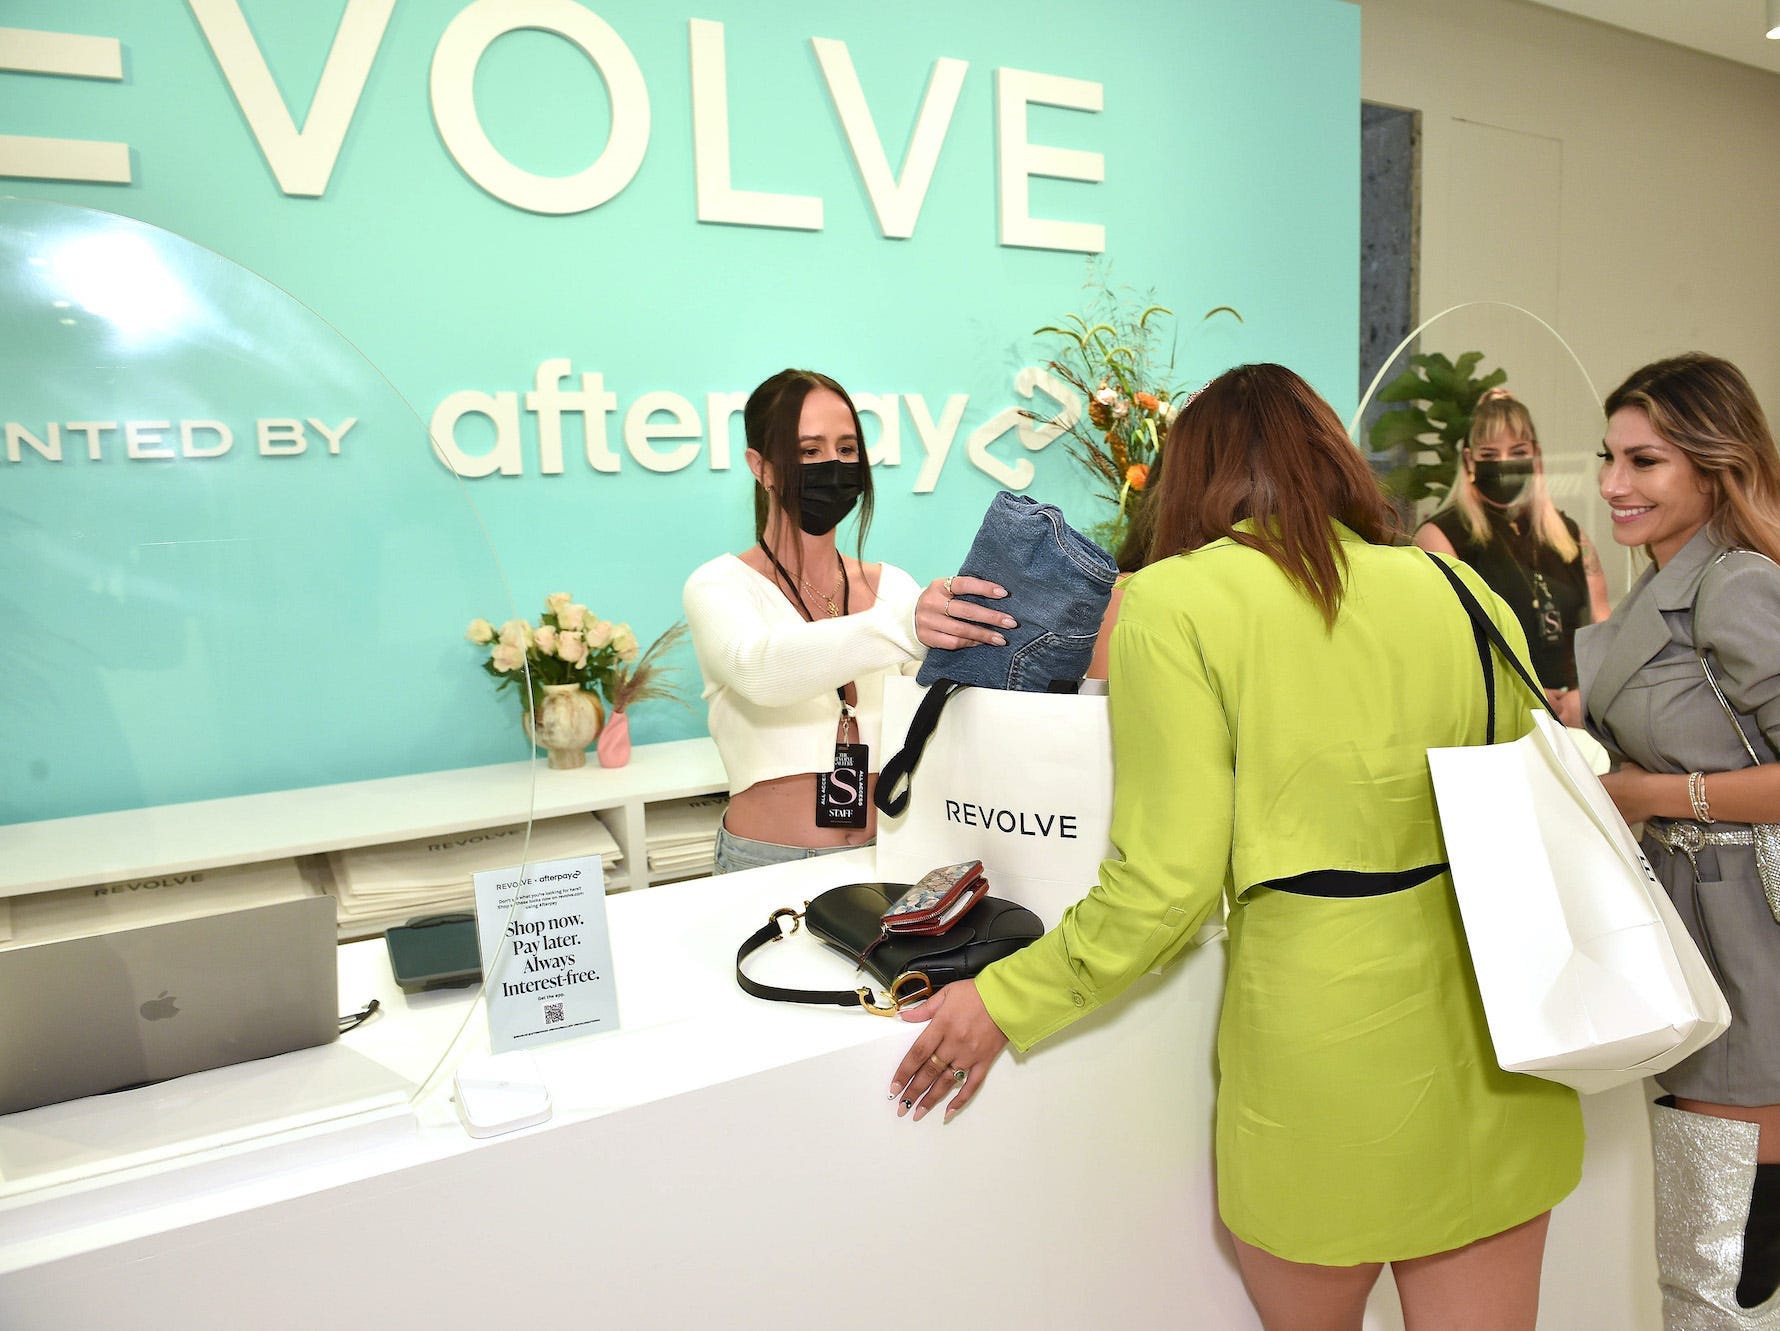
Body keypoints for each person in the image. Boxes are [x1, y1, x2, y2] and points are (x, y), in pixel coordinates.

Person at [887, 363, 1583, 1331]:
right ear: (1332, 457)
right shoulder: (1456, 586)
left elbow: (1163, 886)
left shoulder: (1174, 602)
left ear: (1191, 478)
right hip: (1496, 1046)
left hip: (1322, 1057)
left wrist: (1004, 998)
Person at [1576, 352, 1780, 1326]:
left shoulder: (1735, 584)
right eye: (1609, 457)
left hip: (1750, 942)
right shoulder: (1664, 582)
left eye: (1644, 460)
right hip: (1694, 928)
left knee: (1722, 1263)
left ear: (1712, 463)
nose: (1614, 483)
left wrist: (1652, 789)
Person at [683, 368, 1012, 875]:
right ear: (761, 466)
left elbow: (937, 716)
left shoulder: (894, 588)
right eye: (809, 451)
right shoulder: (718, 586)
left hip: (888, 856)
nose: (832, 466)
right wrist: (903, 628)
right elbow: (760, 671)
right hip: (766, 863)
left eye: (847, 449)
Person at [1413, 389, 1610, 726]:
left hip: (1576, 725)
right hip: (1494, 721)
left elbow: (1603, 624)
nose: (1504, 463)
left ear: (1536, 456)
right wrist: (1520, 693)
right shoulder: (1441, 536)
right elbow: (1439, 648)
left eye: (1517, 452)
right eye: (1490, 453)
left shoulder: (1570, 535)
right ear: (1470, 460)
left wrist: (1588, 692)